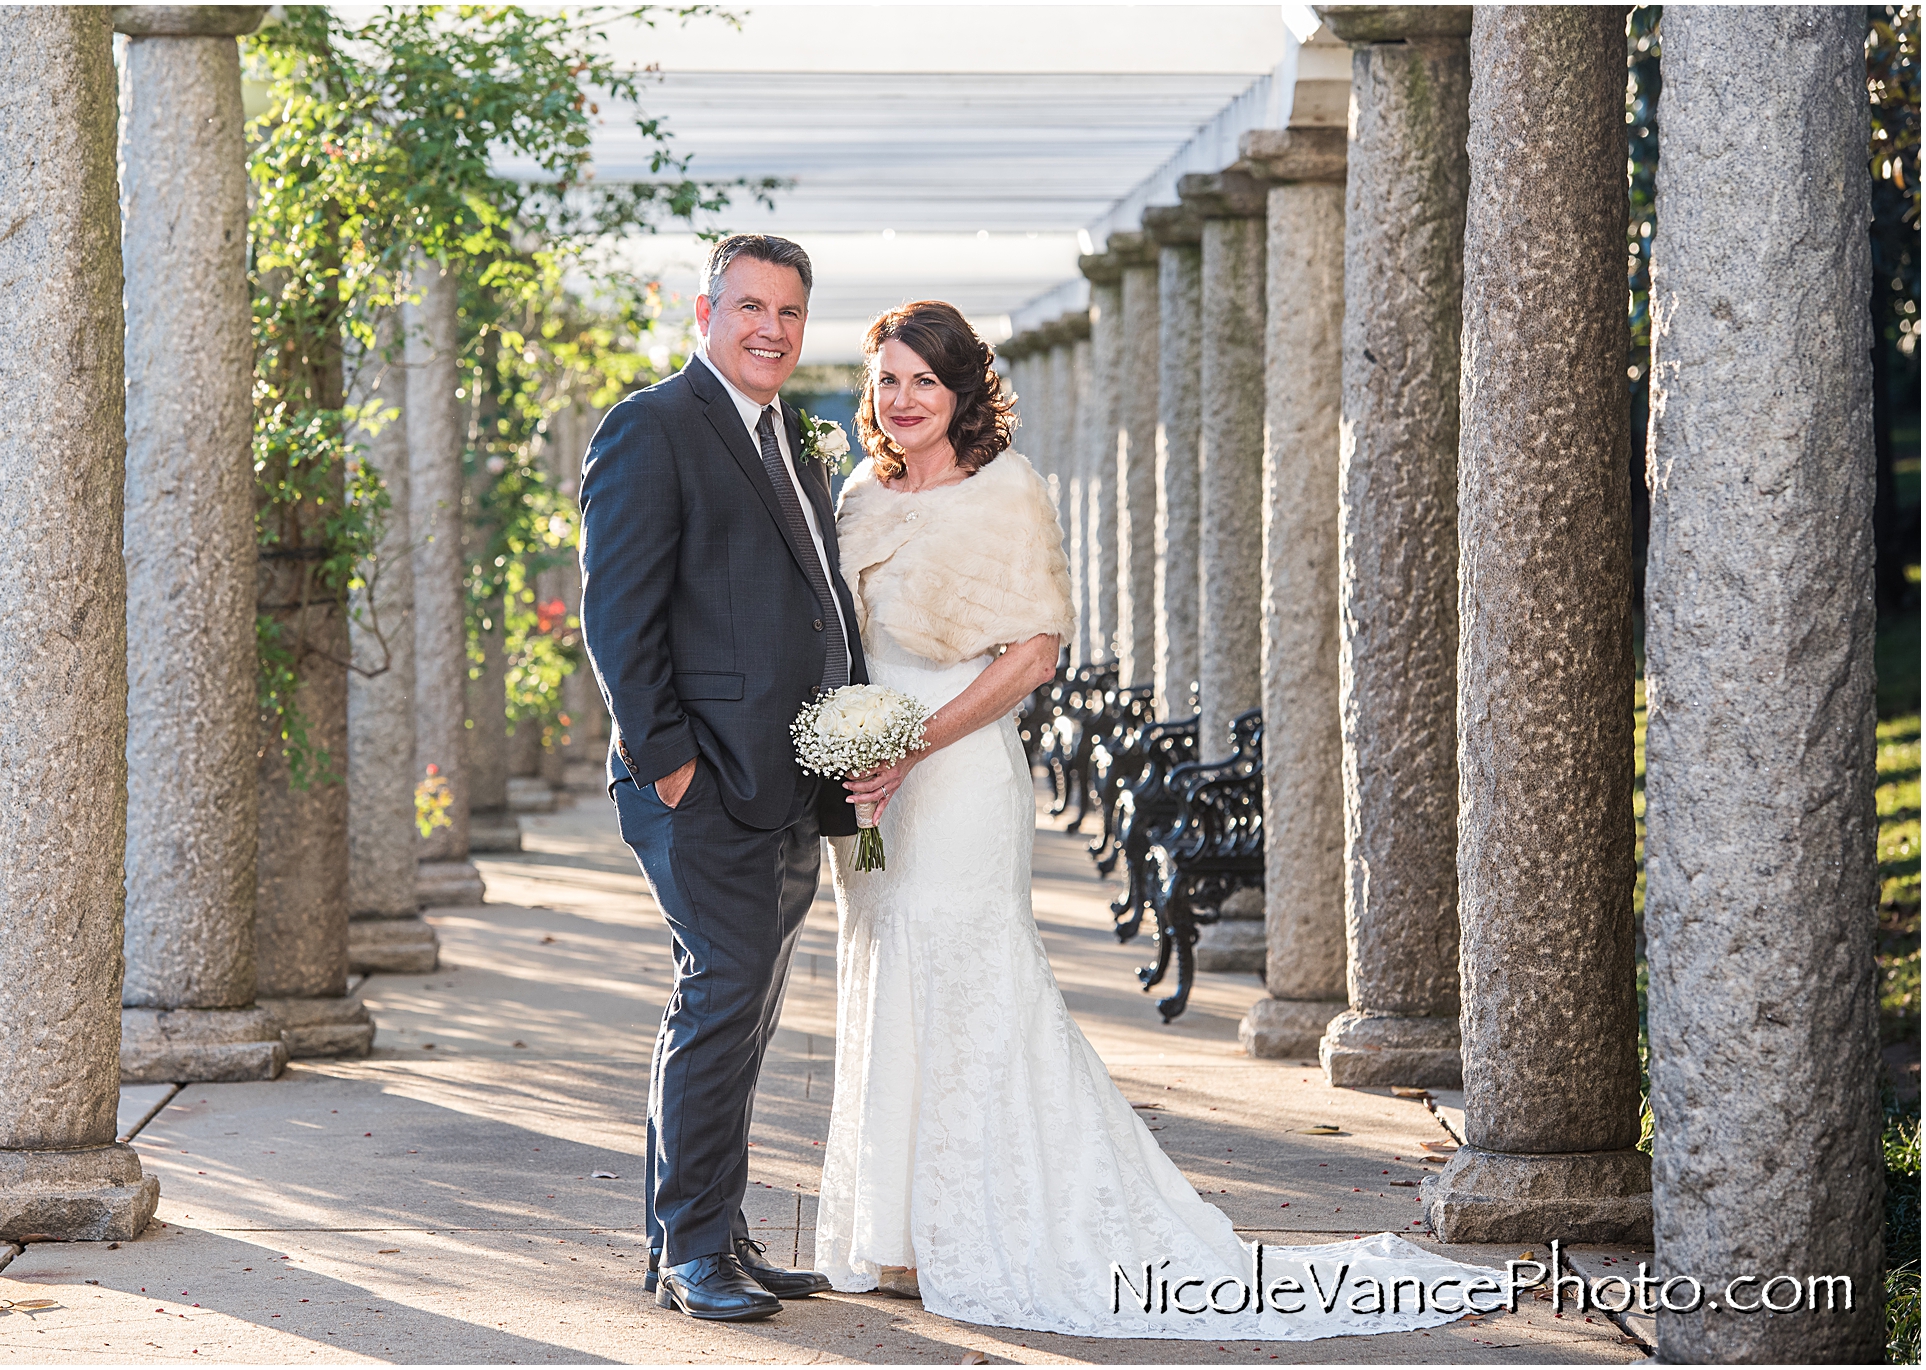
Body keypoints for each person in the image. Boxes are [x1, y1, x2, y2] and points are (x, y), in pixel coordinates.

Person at [812, 300, 1499, 1340]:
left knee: (965, 978)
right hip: (874, 778)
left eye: (922, 382)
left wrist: (912, 744)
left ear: (960, 393)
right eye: (886, 381)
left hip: (954, 771)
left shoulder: (1006, 488)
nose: (900, 401)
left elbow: (1033, 655)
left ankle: (987, 1223)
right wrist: (853, 749)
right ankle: (901, 1230)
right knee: (886, 969)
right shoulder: (860, 491)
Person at [577, 233, 861, 1323]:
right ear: (706, 314)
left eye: (788, 312)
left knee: (738, 1010)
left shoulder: (791, 433)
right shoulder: (652, 426)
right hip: (700, 785)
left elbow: (815, 600)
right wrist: (674, 766)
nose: (770, 329)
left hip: (786, 781)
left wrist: (849, 738)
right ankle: (691, 1248)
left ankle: (701, 1227)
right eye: (749, 306)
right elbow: (618, 619)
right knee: (719, 995)